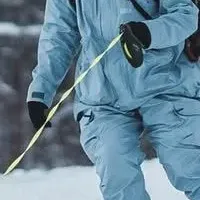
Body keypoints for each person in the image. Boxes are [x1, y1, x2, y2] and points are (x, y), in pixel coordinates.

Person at [27, 0, 200, 199]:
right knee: (116, 173)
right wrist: (41, 91)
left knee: (190, 165)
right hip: (102, 96)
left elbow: (186, 15)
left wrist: (149, 32)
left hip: (167, 83)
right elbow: (58, 33)